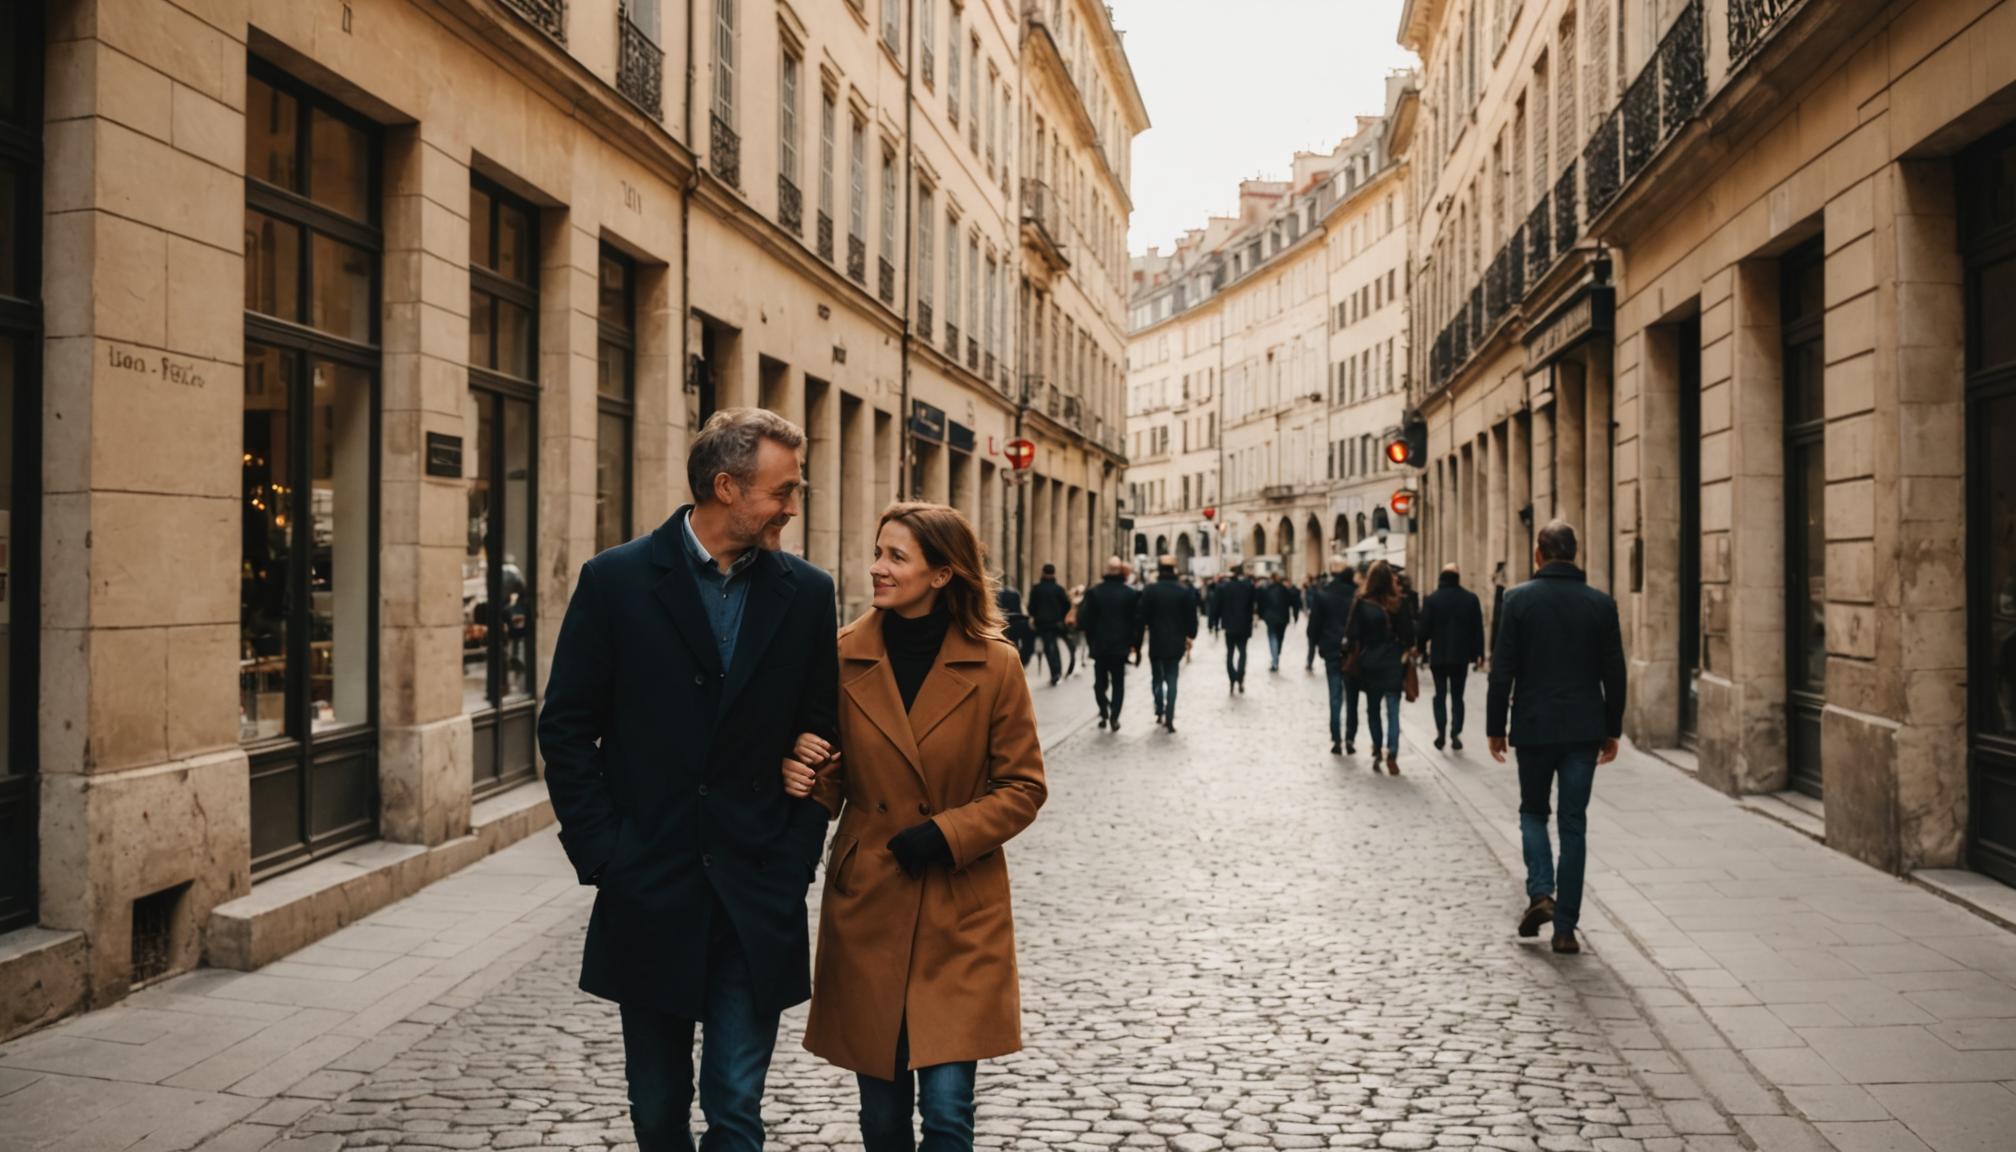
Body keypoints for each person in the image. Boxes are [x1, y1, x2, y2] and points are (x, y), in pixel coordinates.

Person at [539, 408, 837, 1152]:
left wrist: (794, 860)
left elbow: (823, 731)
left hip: (757, 884)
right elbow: (567, 727)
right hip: (651, 883)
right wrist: (607, 853)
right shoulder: (617, 580)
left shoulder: (806, 593)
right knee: (657, 1111)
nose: (793, 508)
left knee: (735, 1108)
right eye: (783, 491)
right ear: (727, 486)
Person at [779, 503, 1046, 1152]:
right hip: (871, 899)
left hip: (961, 903)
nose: (877, 568)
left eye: (896, 557)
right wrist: (804, 775)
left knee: (950, 1115)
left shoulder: (995, 665)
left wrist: (947, 834)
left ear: (943, 573)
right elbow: (834, 775)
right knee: (883, 1121)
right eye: (879, 553)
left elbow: (1024, 786)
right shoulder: (843, 655)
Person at [1487, 520, 1627, 956]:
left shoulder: (1517, 600)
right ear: (1575, 554)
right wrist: (1612, 727)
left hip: (1532, 725)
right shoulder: (1601, 605)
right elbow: (1614, 673)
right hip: (1584, 728)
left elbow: (1502, 668)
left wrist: (1496, 726)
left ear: (1538, 554)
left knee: (1533, 811)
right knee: (1573, 824)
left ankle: (1541, 892)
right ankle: (1566, 928)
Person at [1343, 560, 1414, 774]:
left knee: (1373, 710)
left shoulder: (1362, 602)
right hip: (1393, 661)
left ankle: (1377, 749)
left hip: (1370, 660)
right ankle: (1392, 752)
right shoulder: (1400, 602)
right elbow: (1409, 637)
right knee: (1393, 711)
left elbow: (1352, 634)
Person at [1417, 563, 1487, 750]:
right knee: (1458, 696)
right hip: (1460, 656)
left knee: (1439, 695)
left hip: (1439, 655)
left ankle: (1441, 732)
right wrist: (1479, 653)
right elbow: (1477, 629)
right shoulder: (1470, 599)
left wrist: (1421, 649)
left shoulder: (1432, 600)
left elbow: (1424, 629)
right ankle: (1455, 733)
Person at [1076, 558, 1144, 730]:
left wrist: (1091, 638)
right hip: (1120, 646)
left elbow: (1084, 619)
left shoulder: (1095, 592)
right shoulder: (1130, 593)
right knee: (1118, 682)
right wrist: (1135, 644)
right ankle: (1114, 715)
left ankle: (1104, 710)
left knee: (1100, 682)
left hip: (1100, 645)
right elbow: (1137, 622)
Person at [1136, 554, 1199, 730]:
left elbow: (1142, 618)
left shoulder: (1151, 590)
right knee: (1172, 678)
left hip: (1156, 641)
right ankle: (1169, 714)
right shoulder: (1184, 590)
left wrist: (1138, 642)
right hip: (1175, 642)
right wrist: (1190, 635)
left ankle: (1159, 709)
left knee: (1157, 677)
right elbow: (1191, 617)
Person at [1306, 559, 1358, 755]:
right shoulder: (1355, 594)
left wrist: (1319, 644)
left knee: (1335, 695)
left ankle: (1336, 738)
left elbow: (1313, 627)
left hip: (1331, 650)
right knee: (1351, 697)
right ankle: (1350, 738)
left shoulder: (1323, 594)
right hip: (1352, 651)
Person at [1027, 564, 1071, 685]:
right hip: (1055, 623)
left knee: (1049, 647)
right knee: (1053, 646)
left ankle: (1055, 672)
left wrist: (1036, 616)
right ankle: (1057, 671)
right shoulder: (1058, 589)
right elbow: (1067, 605)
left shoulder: (1036, 589)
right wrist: (1061, 616)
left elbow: (1031, 606)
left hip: (1042, 623)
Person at [1216, 568, 1258, 692]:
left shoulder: (1224, 587)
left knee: (1230, 653)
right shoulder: (1247, 587)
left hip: (1229, 625)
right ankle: (1240, 676)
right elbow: (1251, 606)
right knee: (1242, 652)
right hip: (1243, 625)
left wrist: (1215, 624)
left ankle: (1232, 678)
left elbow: (1218, 607)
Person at [1257, 573, 1297, 673]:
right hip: (1282, 618)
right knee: (1279, 638)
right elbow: (1293, 601)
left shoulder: (1268, 590)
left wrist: (1261, 615)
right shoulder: (1284, 590)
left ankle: (1275, 659)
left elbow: (1261, 603)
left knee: (1273, 638)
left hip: (1271, 618)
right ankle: (1276, 657)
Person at [996, 583, 1034, 667]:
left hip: (1003, 621)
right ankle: (1019, 661)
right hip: (1016, 620)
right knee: (1016, 642)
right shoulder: (1015, 593)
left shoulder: (998, 595)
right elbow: (1023, 610)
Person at [1060, 584, 1086, 678]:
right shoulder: (1082, 601)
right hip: (1078, 626)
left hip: (1074, 625)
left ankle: (1076, 664)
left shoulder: (1075, 601)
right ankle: (1078, 663)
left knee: (1076, 646)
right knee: (1079, 645)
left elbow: (1070, 613)